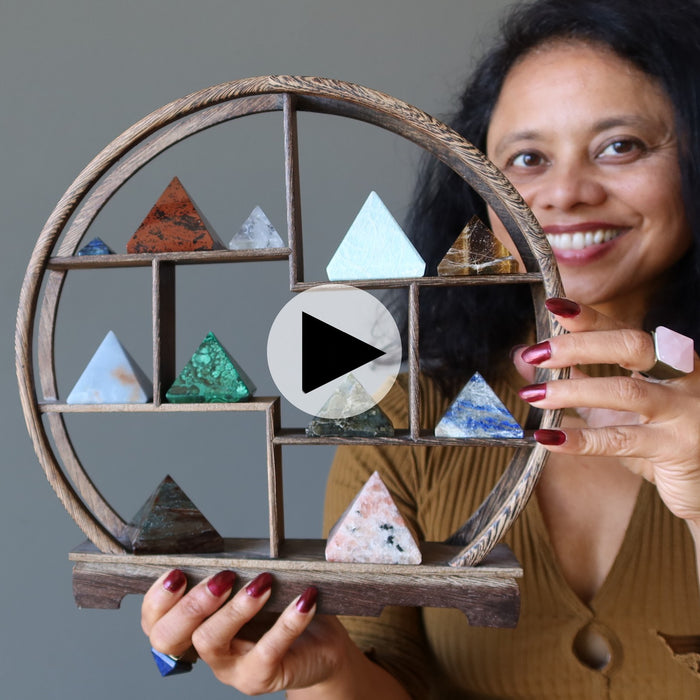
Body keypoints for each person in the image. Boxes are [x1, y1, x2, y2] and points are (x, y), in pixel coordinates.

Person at [140, 0, 700, 696]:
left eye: (621, 146)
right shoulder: (406, 415)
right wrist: (326, 671)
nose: (565, 194)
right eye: (526, 159)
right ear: (478, 188)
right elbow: (383, 669)